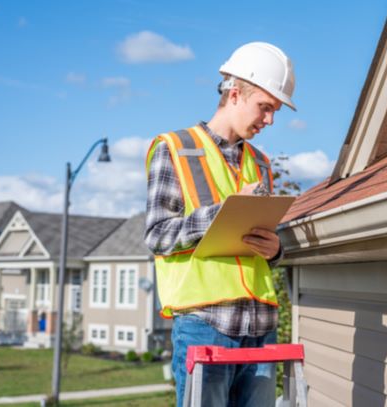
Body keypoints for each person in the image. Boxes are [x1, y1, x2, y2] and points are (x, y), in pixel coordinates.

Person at [144, 42, 296, 406]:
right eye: (265, 107)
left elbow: (258, 243)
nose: (270, 120)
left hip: (261, 325)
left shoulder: (260, 164)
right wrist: (221, 211)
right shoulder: (175, 149)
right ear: (234, 94)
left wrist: (275, 250)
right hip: (205, 325)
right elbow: (157, 234)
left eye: (275, 111)